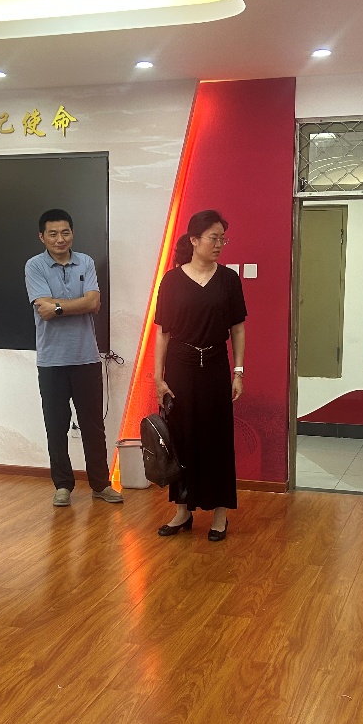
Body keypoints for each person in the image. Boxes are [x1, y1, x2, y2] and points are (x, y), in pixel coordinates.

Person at [152, 210, 247, 541]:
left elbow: (237, 329)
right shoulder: (172, 280)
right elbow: (163, 332)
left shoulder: (229, 280)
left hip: (216, 365)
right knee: (181, 438)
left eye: (223, 239)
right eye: (213, 238)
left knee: (217, 438)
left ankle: (220, 514)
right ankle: (183, 510)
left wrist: (238, 372)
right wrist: (158, 377)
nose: (219, 244)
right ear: (194, 240)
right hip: (180, 367)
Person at [23, 208, 123, 507]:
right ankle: (63, 485)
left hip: (86, 358)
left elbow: (94, 303)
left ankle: (100, 485)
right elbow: (43, 309)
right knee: (56, 427)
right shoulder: (34, 265)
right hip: (51, 361)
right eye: (52, 233)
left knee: (93, 426)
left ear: (72, 233)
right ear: (42, 237)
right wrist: (73, 304)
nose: (60, 239)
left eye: (65, 232)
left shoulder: (86, 262)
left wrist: (58, 306)